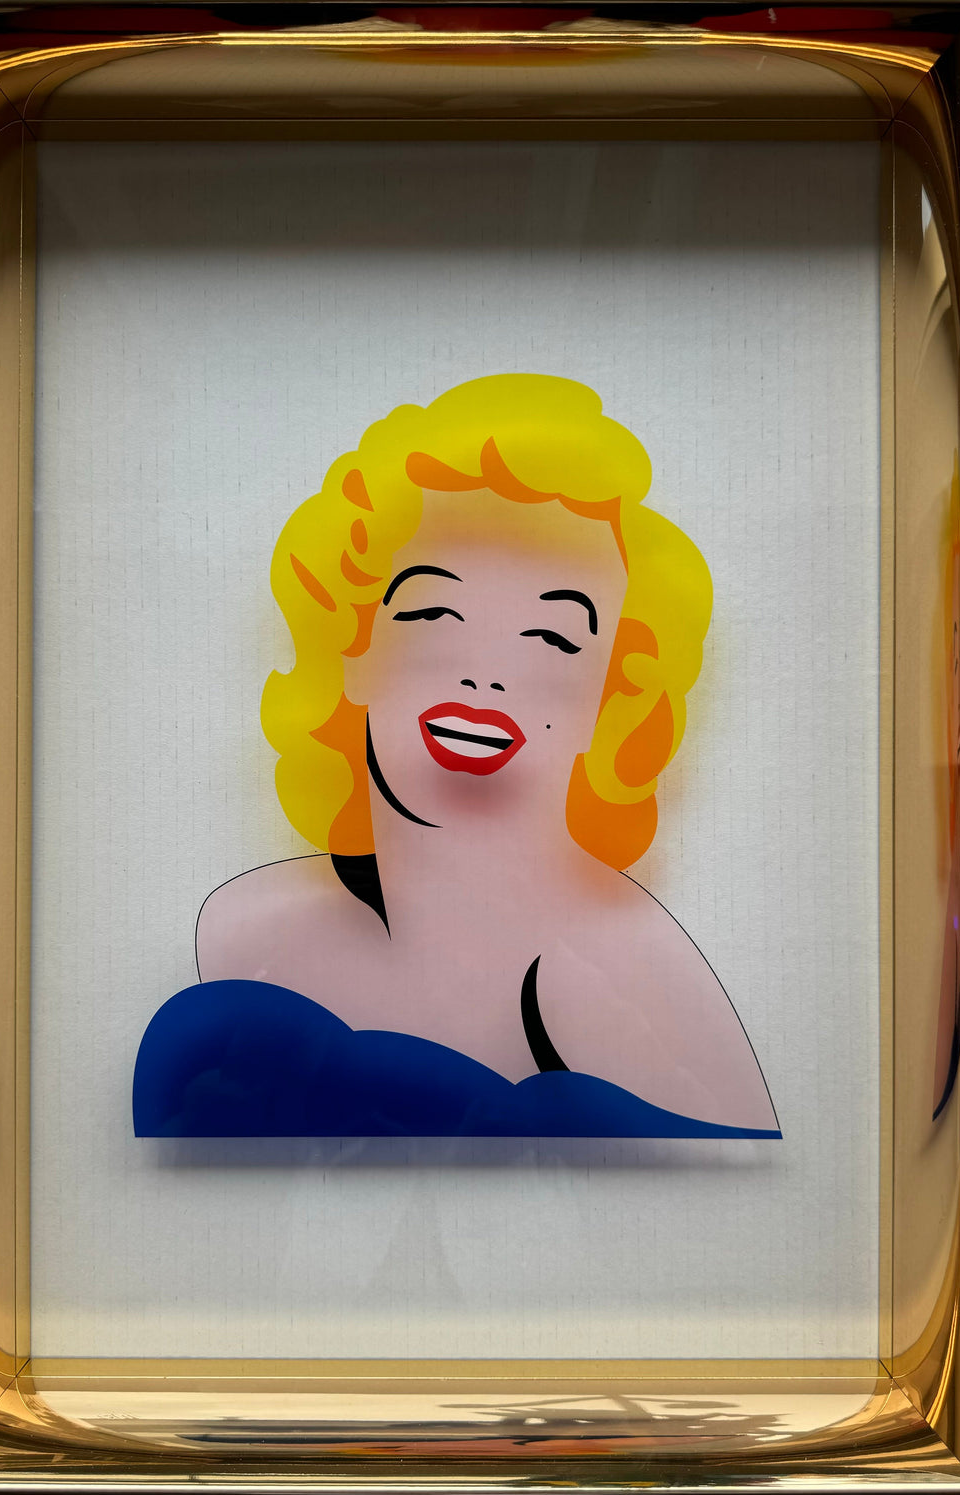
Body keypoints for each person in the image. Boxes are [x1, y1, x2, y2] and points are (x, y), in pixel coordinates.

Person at [133, 375, 780, 1139]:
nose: (486, 675)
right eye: (433, 611)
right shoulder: (244, 929)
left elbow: (735, 1193)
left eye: (554, 638)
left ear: (615, 700)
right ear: (351, 649)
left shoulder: (619, 975)